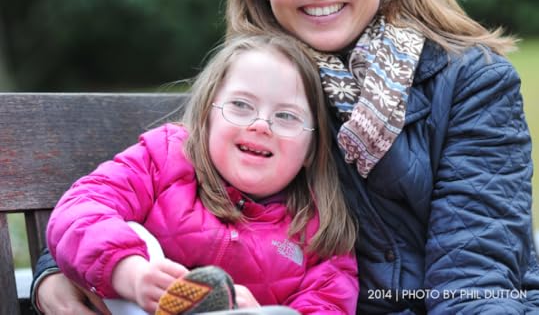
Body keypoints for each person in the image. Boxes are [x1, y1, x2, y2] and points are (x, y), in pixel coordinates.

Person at [33, 0, 539, 314]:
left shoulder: (473, 82)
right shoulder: (260, 88)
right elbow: (167, 194)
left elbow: (476, 279)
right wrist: (52, 273)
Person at [44, 33, 358, 315]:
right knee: (134, 235)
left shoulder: (319, 230)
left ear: (312, 149)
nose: (261, 124)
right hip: (142, 304)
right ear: (207, 115)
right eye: (241, 105)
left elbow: (330, 304)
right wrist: (132, 274)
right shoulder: (164, 159)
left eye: (286, 115)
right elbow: (81, 209)